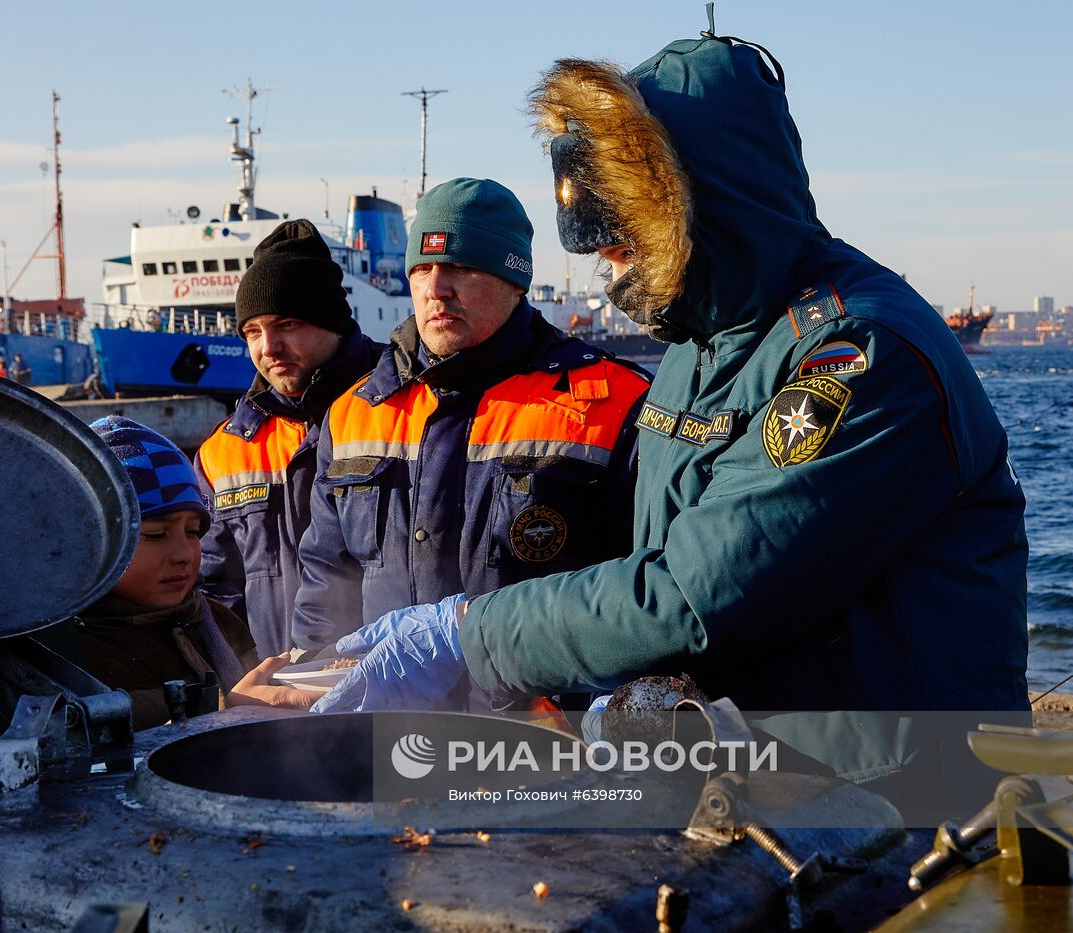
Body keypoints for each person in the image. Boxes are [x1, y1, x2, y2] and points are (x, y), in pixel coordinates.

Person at [313, 27, 1029, 793]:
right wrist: (634, 687)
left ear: (692, 204)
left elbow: (697, 591)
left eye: (623, 231)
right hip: (758, 783)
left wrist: (466, 634)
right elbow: (651, 561)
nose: (605, 259)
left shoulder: (860, 349)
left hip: (901, 799)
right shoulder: (697, 345)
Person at [290, 178, 651, 661]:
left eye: (460, 267)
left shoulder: (613, 403)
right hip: (384, 721)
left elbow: (645, 587)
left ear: (514, 280)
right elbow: (325, 584)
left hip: (537, 725)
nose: (436, 289)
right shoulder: (354, 412)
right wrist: (321, 690)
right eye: (421, 269)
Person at [194, 219, 383, 658]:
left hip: (393, 689)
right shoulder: (225, 453)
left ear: (333, 323)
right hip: (276, 704)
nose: (269, 347)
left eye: (288, 324)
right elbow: (215, 592)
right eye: (252, 331)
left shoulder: (406, 415)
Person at [74, 416, 312, 729]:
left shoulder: (216, 621)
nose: (185, 554)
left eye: (192, 531)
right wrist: (234, 711)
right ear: (94, 543)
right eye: (156, 534)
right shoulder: (72, 654)